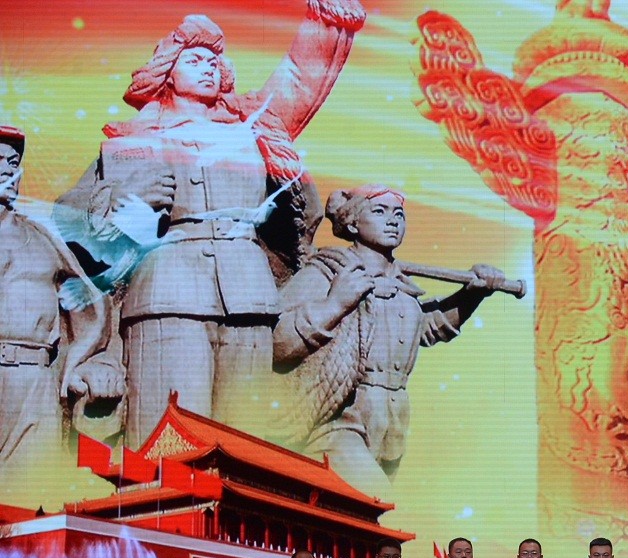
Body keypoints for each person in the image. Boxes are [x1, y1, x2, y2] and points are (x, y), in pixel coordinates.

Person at [60, 7, 365, 447]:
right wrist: (125, 198)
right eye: (194, 60)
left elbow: (300, 78)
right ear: (167, 71)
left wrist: (328, 15)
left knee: (244, 440)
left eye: (213, 61)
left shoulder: (254, 127)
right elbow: (68, 217)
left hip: (249, 297)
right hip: (167, 296)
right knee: (168, 438)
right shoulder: (133, 141)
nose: (208, 67)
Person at [273, 185, 505, 496]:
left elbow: (428, 328)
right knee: (380, 499)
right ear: (352, 223)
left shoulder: (402, 286)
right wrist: (334, 304)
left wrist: (472, 296)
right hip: (337, 419)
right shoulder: (327, 273)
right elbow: (277, 341)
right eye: (379, 212)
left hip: (391, 420)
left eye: (399, 214)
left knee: (362, 514)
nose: (393, 220)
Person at [0, 125, 118, 498]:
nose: (7, 170)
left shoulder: (42, 239)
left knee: (31, 496)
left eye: (13, 162)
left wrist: (77, 361)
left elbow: (92, 307)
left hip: (32, 378)